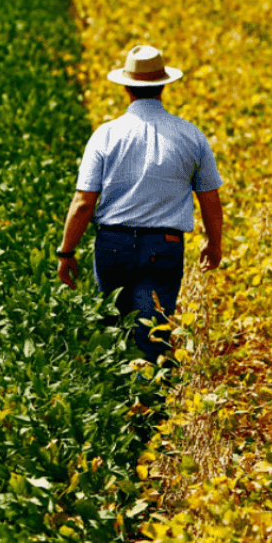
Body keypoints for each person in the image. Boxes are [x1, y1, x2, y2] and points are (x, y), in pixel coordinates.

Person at [57, 44, 223, 367]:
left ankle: (119, 405)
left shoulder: (105, 136)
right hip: (164, 246)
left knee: (115, 334)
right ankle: (150, 408)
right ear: (163, 86)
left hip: (112, 245)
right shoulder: (191, 136)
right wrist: (213, 244)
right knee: (152, 338)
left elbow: (82, 203)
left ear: (125, 87)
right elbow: (210, 200)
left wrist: (66, 252)